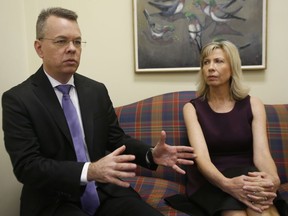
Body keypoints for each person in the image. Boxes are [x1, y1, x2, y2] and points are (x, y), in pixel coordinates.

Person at [2, 7, 196, 216]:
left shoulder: (95, 91)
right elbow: (27, 166)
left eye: (77, 41)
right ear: (39, 48)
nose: (72, 48)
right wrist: (90, 171)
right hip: (54, 200)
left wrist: (149, 154)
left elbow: (116, 139)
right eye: (61, 41)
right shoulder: (18, 100)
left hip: (104, 191)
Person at [165, 40, 287, 216]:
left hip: (247, 176)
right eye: (206, 62)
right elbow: (203, 159)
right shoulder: (192, 108)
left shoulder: (253, 104)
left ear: (233, 68)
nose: (210, 68)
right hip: (212, 181)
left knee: (260, 208)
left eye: (218, 61)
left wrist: (273, 180)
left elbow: (262, 154)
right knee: (237, 213)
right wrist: (227, 185)